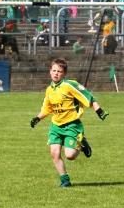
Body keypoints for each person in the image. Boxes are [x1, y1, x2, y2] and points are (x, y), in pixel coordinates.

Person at [30, 58, 109, 187]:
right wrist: (37, 118)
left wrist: (98, 109)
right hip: (56, 125)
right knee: (54, 153)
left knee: (70, 155)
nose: (56, 73)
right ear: (50, 71)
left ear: (64, 73)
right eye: (54, 70)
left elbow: (88, 96)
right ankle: (65, 180)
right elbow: (47, 108)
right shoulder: (49, 89)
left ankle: (82, 143)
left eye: (59, 71)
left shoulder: (69, 85)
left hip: (72, 124)